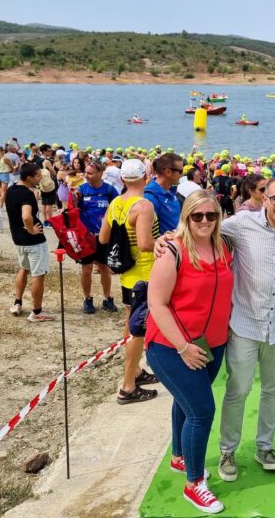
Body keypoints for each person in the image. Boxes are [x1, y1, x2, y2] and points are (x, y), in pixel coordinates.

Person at [167, 177, 275, 482]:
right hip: (244, 325)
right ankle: (228, 450)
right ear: (264, 198)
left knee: (272, 389)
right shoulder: (240, 223)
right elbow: (202, 227)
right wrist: (172, 237)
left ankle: (265, 446)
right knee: (238, 390)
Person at [146, 191, 234, 514]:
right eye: (197, 216)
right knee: (201, 410)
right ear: (186, 217)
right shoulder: (172, 249)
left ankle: (180, 457)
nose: (205, 222)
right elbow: (156, 304)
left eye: (211, 215)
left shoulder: (224, 246)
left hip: (211, 344)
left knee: (187, 402)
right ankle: (195, 484)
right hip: (170, 346)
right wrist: (183, 347)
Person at [100, 159, 160, 404]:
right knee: (138, 332)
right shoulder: (143, 205)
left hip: (127, 275)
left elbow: (103, 237)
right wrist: (169, 242)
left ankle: (134, 371)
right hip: (145, 275)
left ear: (123, 179)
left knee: (130, 326)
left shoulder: (116, 202)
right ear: (146, 176)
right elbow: (146, 244)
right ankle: (127, 386)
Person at [6, 163, 55, 321]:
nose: (40, 178)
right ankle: (36, 312)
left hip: (18, 239)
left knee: (23, 268)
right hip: (33, 241)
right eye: (38, 176)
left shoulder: (11, 189)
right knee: (38, 274)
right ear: (29, 178)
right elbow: (26, 216)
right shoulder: (27, 194)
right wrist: (32, 229)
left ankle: (17, 302)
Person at [72, 161, 120, 314]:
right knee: (86, 269)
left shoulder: (109, 190)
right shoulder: (81, 190)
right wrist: (73, 199)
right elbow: (72, 211)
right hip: (87, 237)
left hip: (104, 237)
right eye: (85, 172)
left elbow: (117, 209)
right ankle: (87, 299)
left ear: (100, 174)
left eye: (90, 173)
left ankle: (107, 299)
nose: (86, 175)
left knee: (104, 267)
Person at [144, 153, 183, 235]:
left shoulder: (171, 190)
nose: (182, 175)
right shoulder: (150, 195)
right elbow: (147, 234)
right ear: (168, 172)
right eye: (180, 171)